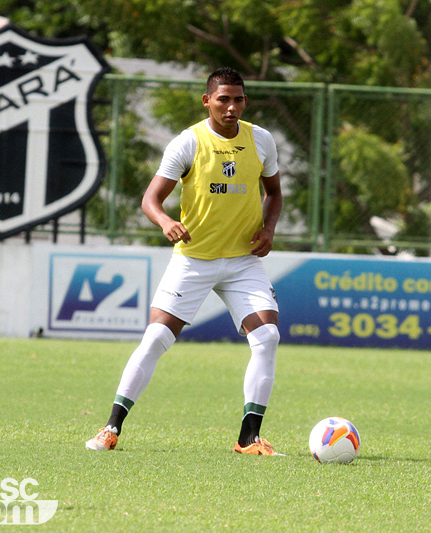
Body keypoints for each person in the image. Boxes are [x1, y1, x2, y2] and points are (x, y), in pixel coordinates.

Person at [86, 67, 283, 455]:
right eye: (223, 99)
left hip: (243, 262)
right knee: (157, 338)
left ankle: (249, 438)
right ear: (207, 101)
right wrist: (165, 222)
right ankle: (110, 428)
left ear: (245, 102)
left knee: (267, 338)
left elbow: (273, 194)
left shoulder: (260, 140)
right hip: (194, 259)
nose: (231, 107)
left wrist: (269, 229)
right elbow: (150, 200)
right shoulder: (188, 143)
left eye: (238, 99)